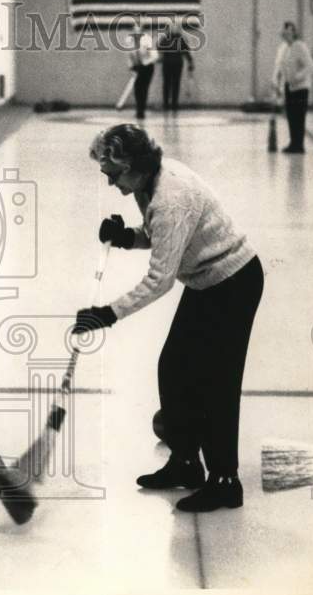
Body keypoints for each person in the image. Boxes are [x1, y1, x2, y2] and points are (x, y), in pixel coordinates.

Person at [72, 125, 264, 512]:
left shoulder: (171, 197)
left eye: (113, 174)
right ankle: (187, 463)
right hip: (206, 281)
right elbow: (160, 234)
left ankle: (226, 481)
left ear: (134, 165)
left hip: (232, 283)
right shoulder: (150, 183)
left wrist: (107, 314)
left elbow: (160, 280)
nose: (111, 183)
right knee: (174, 368)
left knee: (216, 385)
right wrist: (127, 236)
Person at [272, 21, 313, 154]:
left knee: (299, 116)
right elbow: (279, 67)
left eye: (289, 32)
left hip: (301, 88)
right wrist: (276, 82)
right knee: (291, 116)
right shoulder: (283, 48)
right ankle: (293, 143)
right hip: (289, 87)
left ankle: (299, 144)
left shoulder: (300, 46)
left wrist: (297, 77)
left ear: (294, 33)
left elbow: (310, 66)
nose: (286, 34)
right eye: (284, 32)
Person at [157, 22, 194, 112]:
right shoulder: (165, 38)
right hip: (167, 63)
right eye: (172, 27)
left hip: (177, 63)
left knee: (176, 84)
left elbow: (186, 51)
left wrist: (190, 62)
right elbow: (158, 47)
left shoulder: (181, 39)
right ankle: (166, 104)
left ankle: (174, 104)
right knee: (166, 84)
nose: (174, 29)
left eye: (175, 27)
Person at [128, 25, 158, 119]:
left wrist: (145, 63)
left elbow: (154, 56)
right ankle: (139, 109)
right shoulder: (130, 40)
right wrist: (131, 66)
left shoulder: (147, 40)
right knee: (137, 89)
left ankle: (141, 111)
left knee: (144, 88)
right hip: (137, 67)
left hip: (147, 67)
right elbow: (129, 55)